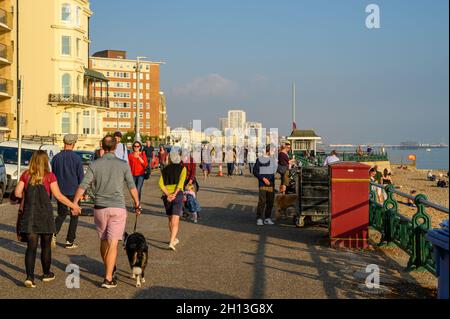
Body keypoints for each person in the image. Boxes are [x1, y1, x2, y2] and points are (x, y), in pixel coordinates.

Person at [73, 136, 141, 289]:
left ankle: (109, 268)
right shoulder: (123, 164)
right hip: (117, 208)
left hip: (100, 208)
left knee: (104, 240)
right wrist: (137, 204)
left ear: (102, 146)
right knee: (113, 244)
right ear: (116, 147)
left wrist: (75, 203)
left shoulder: (95, 164)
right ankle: (108, 278)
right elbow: (131, 186)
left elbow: (83, 184)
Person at [15, 151, 81, 288]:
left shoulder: (26, 175)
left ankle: (29, 277)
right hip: (45, 216)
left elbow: (17, 193)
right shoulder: (49, 176)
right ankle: (46, 274)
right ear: (46, 162)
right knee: (46, 246)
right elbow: (59, 196)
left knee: (31, 248)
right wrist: (73, 205)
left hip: (30, 215)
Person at [51, 134, 84, 249]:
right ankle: (69, 240)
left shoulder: (56, 158)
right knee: (74, 215)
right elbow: (81, 178)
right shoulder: (77, 158)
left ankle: (53, 234)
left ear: (64, 143)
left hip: (60, 191)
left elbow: (53, 176)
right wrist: (82, 194)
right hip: (74, 191)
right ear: (73, 144)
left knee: (61, 214)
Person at [159, 151, 187, 251]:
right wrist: (174, 194)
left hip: (167, 197)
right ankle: (172, 241)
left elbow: (161, 184)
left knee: (170, 219)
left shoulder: (164, 169)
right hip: (177, 195)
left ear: (170, 159)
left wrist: (168, 195)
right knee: (176, 220)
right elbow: (180, 184)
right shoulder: (183, 169)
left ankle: (173, 238)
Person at [253, 145, 276, 226]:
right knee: (262, 201)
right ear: (268, 150)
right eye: (273, 151)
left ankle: (267, 218)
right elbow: (255, 171)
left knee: (270, 202)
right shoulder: (260, 159)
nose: (274, 152)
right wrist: (263, 178)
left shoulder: (272, 159)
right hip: (263, 184)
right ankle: (259, 218)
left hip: (271, 184)